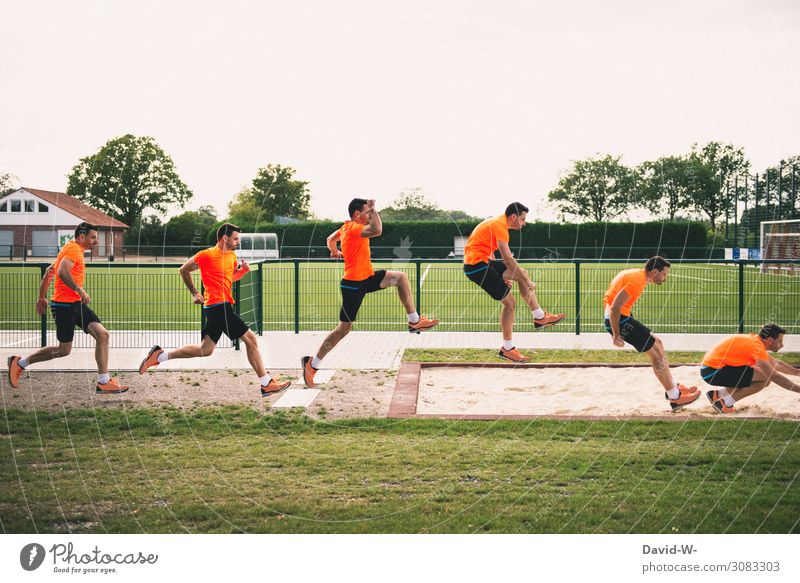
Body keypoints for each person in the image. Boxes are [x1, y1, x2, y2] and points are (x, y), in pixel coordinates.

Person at [138, 223, 290, 396]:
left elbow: (229, 278)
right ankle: (266, 383)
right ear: (225, 238)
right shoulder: (206, 255)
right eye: (235, 238)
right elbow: (183, 270)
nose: (237, 242)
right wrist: (195, 293)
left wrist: (243, 272)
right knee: (251, 340)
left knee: (206, 349)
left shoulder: (232, 256)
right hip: (218, 306)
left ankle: (159, 356)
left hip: (218, 307)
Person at [301, 198, 439, 388]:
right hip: (353, 285)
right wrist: (375, 209)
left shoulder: (345, 227)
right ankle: (312, 364)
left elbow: (330, 239)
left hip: (368, 278)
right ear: (357, 214)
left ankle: (414, 320)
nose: (369, 216)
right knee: (343, 330)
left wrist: (335, 252)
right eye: (366, 213)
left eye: (370, 212)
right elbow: (377, 230)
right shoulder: (354, 229)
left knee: (401, 278)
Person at [7, 223, 128, 394]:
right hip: (63, 306)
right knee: (63, 350)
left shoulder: (71, 248)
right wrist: (80, 290)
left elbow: (50, 271)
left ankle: (104, 381)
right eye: (93, 237)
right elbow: (62, 271)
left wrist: (41, 297)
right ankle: (20, 363)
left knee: (102, 335)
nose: (96, 241)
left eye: (97, 238)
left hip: (75, 304)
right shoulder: (73, 249)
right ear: (81, 237)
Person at [462, 202, 565, 363]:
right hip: (476, 267)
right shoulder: (500, 227)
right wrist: (527, 282)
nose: (524, 223)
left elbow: (487, 250)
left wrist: (501, 274)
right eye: (523, 219)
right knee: (510, 303)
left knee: (521, 273)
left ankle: (539, 317)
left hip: (482, 263)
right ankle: (507, 348)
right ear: (514, 217)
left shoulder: (497, 223)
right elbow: (508, 259)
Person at [604, 256, 699, 411]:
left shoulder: (636, 275)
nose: (665, 278)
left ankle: (674, 387)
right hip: (619, 321)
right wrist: (615, 334)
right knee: (656, 354)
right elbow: (615, 307)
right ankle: (675, 397)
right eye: (664, 274)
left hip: (622, 318)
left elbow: (611, 301)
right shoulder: (637, 281)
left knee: (658, 344)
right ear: (655, 272)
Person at [700, 324, 800, 413]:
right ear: (770, 340)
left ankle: (717, 395)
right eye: (780, 341)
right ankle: (725, 404)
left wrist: (797, 373)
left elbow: (776, 364)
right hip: (713, 372)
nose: (782, 345)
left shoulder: (755, 341)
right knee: (765, 378)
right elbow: (774, 376)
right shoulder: (756, 347)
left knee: (757, 375)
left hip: (710, 369)